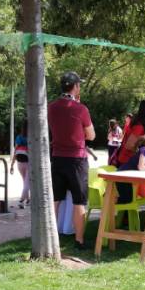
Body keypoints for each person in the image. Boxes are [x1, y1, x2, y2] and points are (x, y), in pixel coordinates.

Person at [48, 71, 96, 249]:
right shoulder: (80, 109)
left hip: (57, 157)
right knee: (79, 201)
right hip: (77, 159)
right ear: (75, 87)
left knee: (55, 200)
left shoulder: (51, 107)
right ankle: (79, 240)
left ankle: (51, 239)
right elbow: (91, 135)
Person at [116, 131, 145, 204]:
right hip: (121, 176)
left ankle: (115, 206)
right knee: (126, 199)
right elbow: (141, 167)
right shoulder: (144, 150)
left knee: (128, 199)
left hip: (126, 177)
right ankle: (109, 203)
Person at [115, 100, 145, 166]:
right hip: (127, 161)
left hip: (126, 160)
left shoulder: (139, 123)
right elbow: (129, 145)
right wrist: (143, 151)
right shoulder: (139, 127)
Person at [9, 123, 29, 209]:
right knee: (27, 183)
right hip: (29, 161)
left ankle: (28, 199)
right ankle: (21, 201)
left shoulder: (19, 137)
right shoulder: (31, 136)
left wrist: (12, 165)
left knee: (25, 181)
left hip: (20, 162)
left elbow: (15, 150)